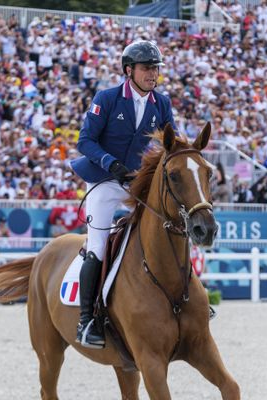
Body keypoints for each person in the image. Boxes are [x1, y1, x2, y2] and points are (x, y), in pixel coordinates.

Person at [70, 40, 176, 348]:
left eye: (155, 68)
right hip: (104, 179)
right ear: (129, 70)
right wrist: (110, 162)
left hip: (135, 182)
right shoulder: (108, 98)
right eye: (146, 68)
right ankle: (86, 320)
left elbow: (171, 140)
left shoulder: (161, 103)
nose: (152, 74)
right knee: (99, 244)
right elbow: (85, 141)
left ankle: (184, 300)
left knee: (167, 230)